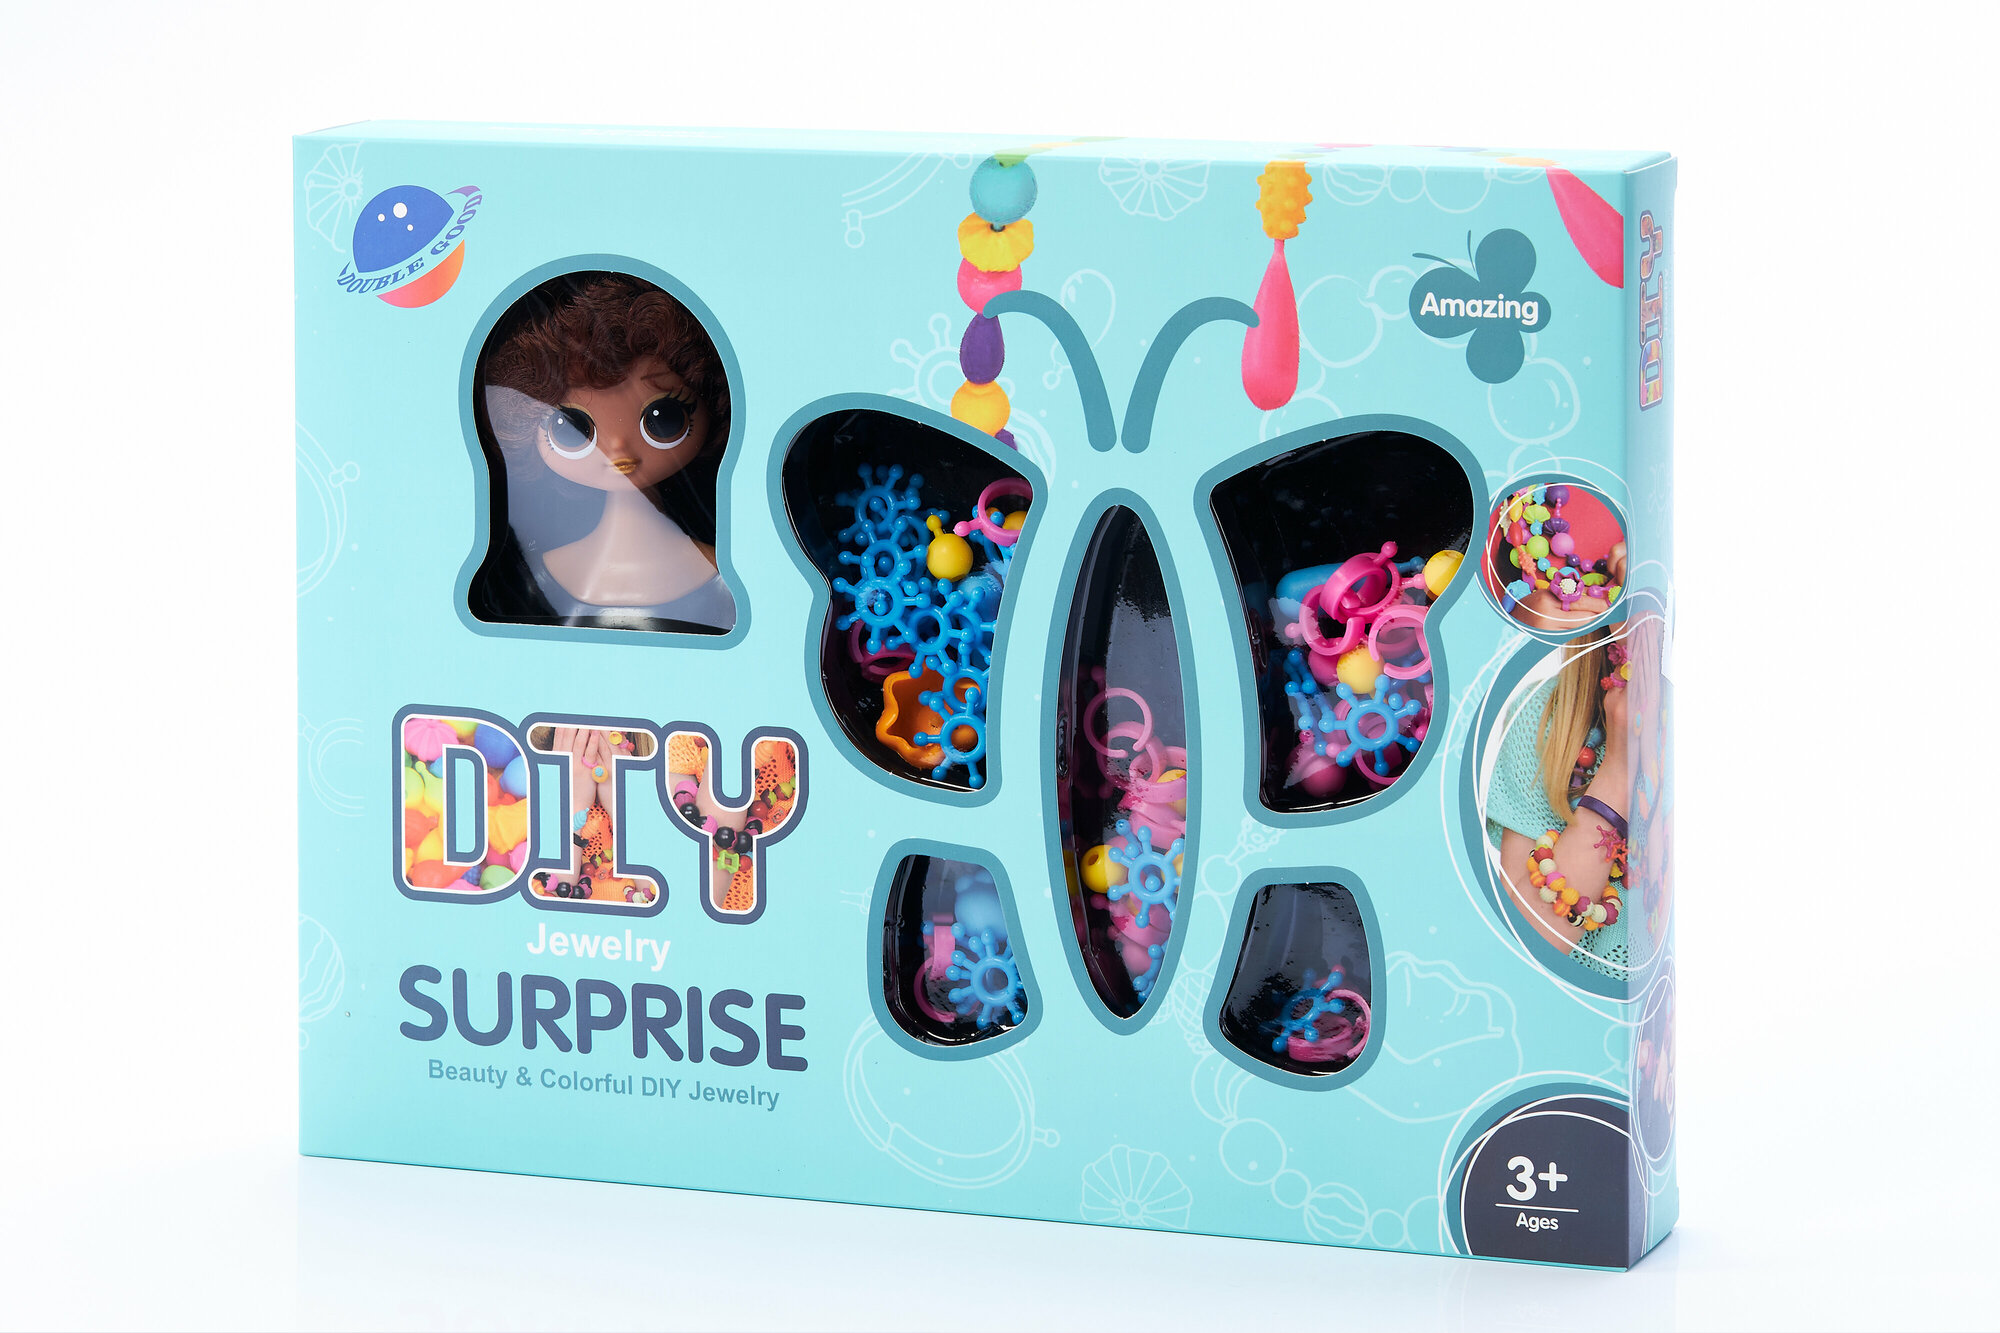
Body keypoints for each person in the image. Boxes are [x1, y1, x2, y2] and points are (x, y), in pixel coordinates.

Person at [471, 271, 736, 633]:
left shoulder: (726, 576)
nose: (617, 448)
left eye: (662, 419)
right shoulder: (535, 580)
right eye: (572, 429)